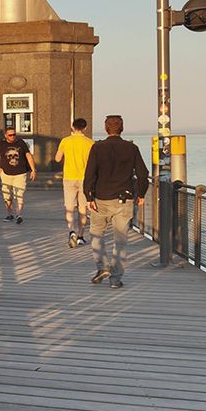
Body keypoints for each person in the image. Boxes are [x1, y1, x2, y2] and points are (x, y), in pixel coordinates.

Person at [84, 115, 150, 289]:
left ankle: (102, 267)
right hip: (124, 199)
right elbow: (143, 174)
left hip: (100, 199)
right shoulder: (132, 148)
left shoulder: (97, 148)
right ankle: (115, 279)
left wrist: (88, 196)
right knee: (120, 241)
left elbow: (89, 174)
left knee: (96, 234)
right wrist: (141, 194)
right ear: (122, 128)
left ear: (106, 129)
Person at [55, 118, 95, 248]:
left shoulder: (65, 141)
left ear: (72, 127)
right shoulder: (90, 143)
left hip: (69, 177)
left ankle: (71, 231)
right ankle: (81, 236)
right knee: (83, 208)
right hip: (85, 179)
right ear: (85, 128)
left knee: (69, 207)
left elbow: (57, 158)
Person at [0, 127, 36, 223]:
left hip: (20, 174)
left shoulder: (21, 143)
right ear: (5, 135)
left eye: (14, 134)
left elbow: (28, 155)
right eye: (10, 135)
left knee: (19, 195)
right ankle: (10, 214)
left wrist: (33, 170)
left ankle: (19, 215)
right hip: (6, 174)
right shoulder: (1, 144)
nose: (13, 136)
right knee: (7, 196)